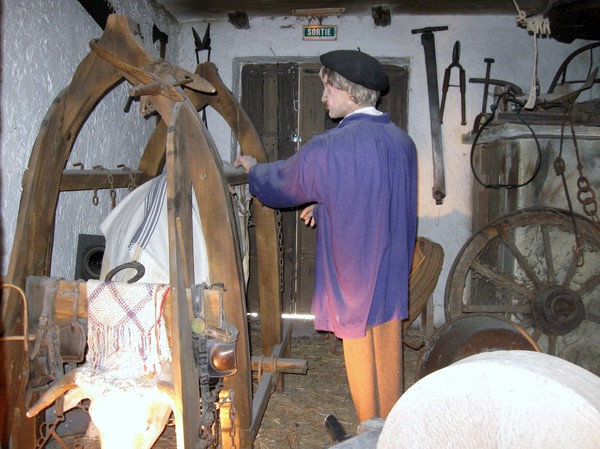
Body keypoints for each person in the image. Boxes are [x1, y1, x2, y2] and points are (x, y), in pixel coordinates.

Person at [234, 49, 417, 422]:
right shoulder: (402, 142)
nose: (323, 97)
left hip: (355, 272)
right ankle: (393, 430)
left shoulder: (332, 146)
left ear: (350, 92)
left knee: (360, 353)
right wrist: (325, 205)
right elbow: (376, 194)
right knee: (387, 345)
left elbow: (283, 184)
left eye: (328, 87)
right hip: (390, 267)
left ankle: (371, 432)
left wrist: (254, 170)